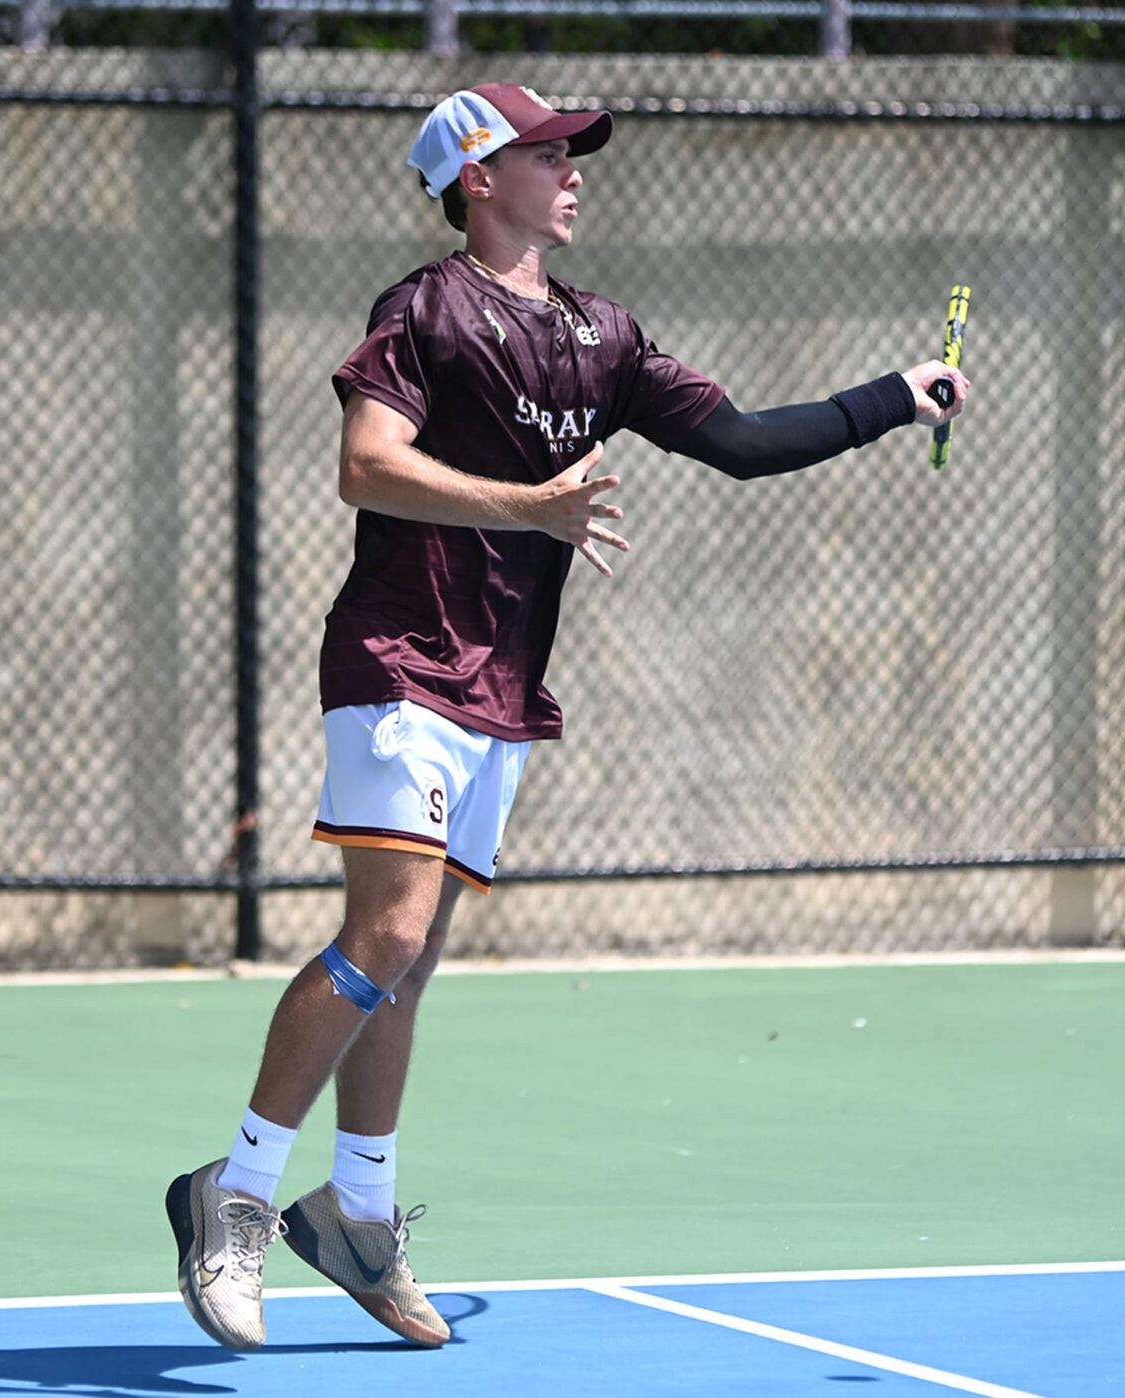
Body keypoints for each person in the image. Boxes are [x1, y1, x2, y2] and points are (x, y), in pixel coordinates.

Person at [166, 80, 970, 1352]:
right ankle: (238, 1190)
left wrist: (892, 396)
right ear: (480, 178)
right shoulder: (423, 310)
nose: (575, 171)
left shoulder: (603, 334)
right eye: (549, 154)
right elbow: (365, 466)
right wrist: (528, 505)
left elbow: (748, 442)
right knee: (385, 938)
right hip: (398, 658)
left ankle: (357, 1214)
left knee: (412, 962)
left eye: (574, 154)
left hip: (497, 683)